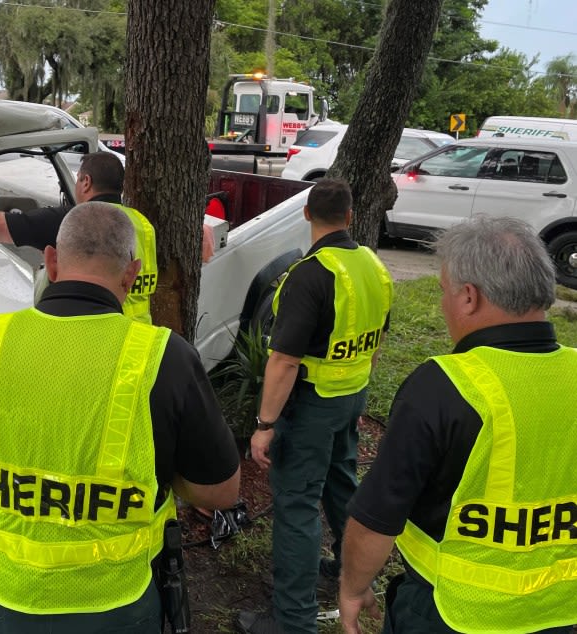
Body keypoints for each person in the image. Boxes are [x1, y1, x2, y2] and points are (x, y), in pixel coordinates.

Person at [0, 201, 241, 633]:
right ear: (132, 272)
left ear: (50, 261)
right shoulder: (164, 357)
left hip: (2, 600)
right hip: (118, 602)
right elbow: (219, 495)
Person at [340, 216, 577, 634]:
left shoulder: (445, 386)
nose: (442, 305)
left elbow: (377, 516)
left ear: (469, 297)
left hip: (452, 613)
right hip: (562, 611)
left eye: (443, 293)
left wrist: (354, 589)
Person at [238, 178, 394, 634]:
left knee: (297, 506)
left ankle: (293, 620)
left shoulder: (310, 274)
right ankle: (352, 573)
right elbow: (377, 341)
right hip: (351, 396)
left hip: (311, 406)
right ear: (350, 216)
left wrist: (264, 424)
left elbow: (284, 360)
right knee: (341, 481)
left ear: (307, 215)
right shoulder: (371, 265)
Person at [0, 151, 159, 323]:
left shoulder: (78, 221)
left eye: (78, 180)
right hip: (139, 337)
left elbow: (0, 226)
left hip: (96, 334)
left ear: (86, 182)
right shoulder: (142, 223)